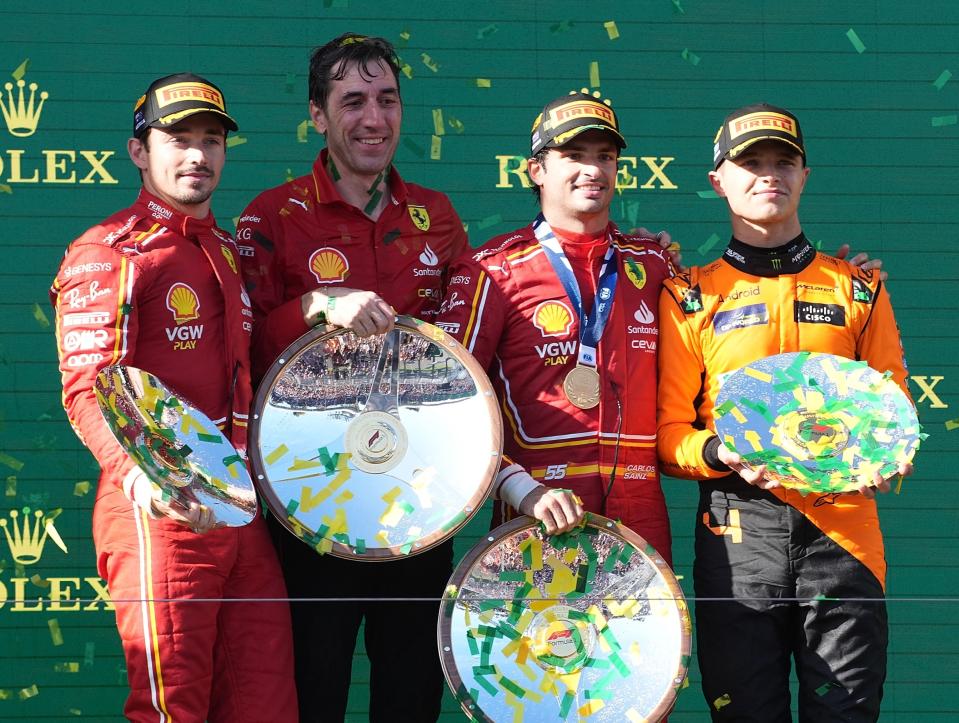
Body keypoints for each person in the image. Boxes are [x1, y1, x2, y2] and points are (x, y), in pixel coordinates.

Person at [50, 73, 296, 722]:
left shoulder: (224, 248)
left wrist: (317, 308)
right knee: (169, 709)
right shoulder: (109, 251)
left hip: (239, 513)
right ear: (139, 152)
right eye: (178, 139)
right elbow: (86, 389)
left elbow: (253, 354)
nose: (196, 155)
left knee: (264, 708)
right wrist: (139, 474)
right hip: (160, 510)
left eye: (211, 140)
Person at [656, 102, 914, 721]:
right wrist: (718, 451)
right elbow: (669, 437)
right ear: (719, 180)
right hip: (737, 534)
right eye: (751, 164)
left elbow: (895, 410)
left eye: (783, 162)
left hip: (845, 534)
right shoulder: (688, 294)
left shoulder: (859, 288)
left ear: (804, 176)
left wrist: (891, 456)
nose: (768, 175)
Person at [237, 34, 468, 722]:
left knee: (411, 693)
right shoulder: (272, 215)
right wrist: (312, 308)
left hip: (418, 494)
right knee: (313, 688)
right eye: (353, 101)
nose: (374, 118)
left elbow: (464, 346)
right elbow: (242, 349)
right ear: (316, 114)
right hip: (311, 496)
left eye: (387, 100)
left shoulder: (436, 215)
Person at [436, 91, 674, 562]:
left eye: (604, 157)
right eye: (573, 155)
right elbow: (445, 406)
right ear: (536, 170)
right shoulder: (493, 271)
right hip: (540, 518)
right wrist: (520, 490)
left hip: (641, 520)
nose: (593, 169)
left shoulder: (652, 265)